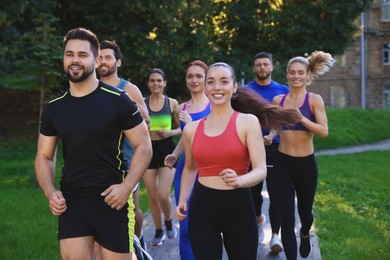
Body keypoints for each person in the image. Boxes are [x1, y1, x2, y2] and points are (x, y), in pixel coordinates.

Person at [34, 27, 152, 260]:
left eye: (82, 54)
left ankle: (138, 250)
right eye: (69, 54)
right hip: (72, 200)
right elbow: (44, 156)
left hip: (112, 199)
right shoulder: (54, 107)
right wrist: (50, 192)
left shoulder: (119, 101)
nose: (75, 60)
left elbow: (144, 146)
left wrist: (126, 187)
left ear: (96, 60)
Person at [174, 62, 301, 260]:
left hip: (239, 208)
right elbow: (190, 168)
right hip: (202, 208)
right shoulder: (191, 129)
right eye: (211, 82)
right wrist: (182, 200)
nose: (217, 87)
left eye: (224, 81)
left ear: (234, 87)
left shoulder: (248, 122)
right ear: (206, 88)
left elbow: (260, 170)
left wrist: (240, 180)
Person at [273, 51, 334, 260]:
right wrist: (270, 134)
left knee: (305, 214)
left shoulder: (314, 100)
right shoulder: (278, 100)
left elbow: (324, 132)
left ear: (308, 75)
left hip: (306, 166)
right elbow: (277, 126)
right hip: (283, 164)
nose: (296, 76)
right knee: (287, 219)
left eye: (300, 72)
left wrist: (301, 119)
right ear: (287, 75)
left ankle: (306, 233)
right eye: (292, 72)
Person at [97, 39, 149, 252]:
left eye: (108, 57)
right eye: (99, 57)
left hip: (125, 161)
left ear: (118, 62)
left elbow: (146, 121)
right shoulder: (90, 88)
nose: (103, 61)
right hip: (97, 161)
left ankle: (138, 242)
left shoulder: (129, 89)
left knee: (132, 210)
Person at [164, 60, 211, 260]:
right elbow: (186, 138)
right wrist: (175, 154)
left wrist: (192, 125)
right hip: (185, 170)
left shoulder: (215, 105)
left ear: (206, 79)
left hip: (209, 171)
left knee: (207, 227)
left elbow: (214, 139)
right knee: (185, 227)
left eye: (199, 76)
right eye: (190, 76)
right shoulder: (181, 108)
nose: (194, 80)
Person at [246, 52, 289, 254]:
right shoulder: (245, 91)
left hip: (275, 148)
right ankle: (257, 218)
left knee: (276, 193)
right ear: (254, 68)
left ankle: (275, 236)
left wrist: (272, 135)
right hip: (249, 150)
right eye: (258, 65)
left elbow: (284, 119)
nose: (262, 68)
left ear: (272, 67)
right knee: (253, 195)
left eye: (265, 64)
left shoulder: (282, 90)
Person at [143, 68, 181, 246]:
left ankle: (168, 221)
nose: (155, 84)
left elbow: (183, 128)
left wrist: (170, 132)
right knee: (152, 194)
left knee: (163, 193)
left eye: (159, 80)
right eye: (152, 81)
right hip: (148, 151)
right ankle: (158, 230)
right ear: (148, 83)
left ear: (165, 83)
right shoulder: (142, 103)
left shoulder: (172, 103)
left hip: (167, 149)